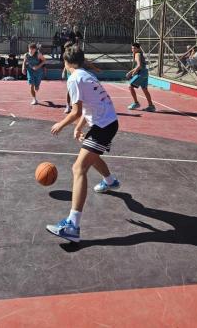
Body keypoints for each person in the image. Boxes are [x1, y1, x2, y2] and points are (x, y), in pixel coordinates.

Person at [47, 45, 119, 243]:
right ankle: (111, 181)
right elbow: (90, 108)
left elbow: (76, 111)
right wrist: (79, 127)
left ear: (65, 62)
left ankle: (72, 225)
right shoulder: (86, 75)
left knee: (78, 168)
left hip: (103, 125)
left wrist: (60, 125)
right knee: (89, 156)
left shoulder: (74, 79)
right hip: (106, 122)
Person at [127, 42, 156, 112]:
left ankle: (136, 103)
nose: (133, 49)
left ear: (138, 49)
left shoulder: (137, 54)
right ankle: (151, 106)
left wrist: (132, 73)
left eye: (134, 48)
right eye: (132, 48)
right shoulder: (140, 54)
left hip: (141, 73)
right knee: (145, 89)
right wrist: (131, 72)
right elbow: (140, 66)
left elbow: (139, 66)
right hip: (145, 73)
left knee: (130, 87)